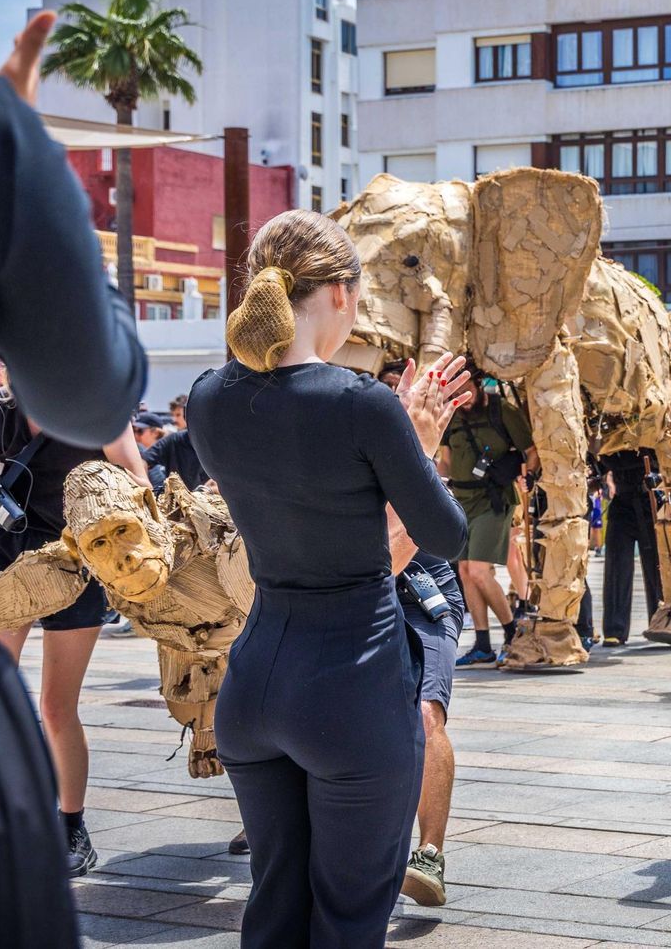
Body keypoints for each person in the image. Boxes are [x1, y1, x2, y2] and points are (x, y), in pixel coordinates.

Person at [188, 209, 469, 949]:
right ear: (342, 296)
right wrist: (418, 438)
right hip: (352, 684)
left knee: (274, 911)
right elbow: (447, 534)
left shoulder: (209, 397)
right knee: (347, 922)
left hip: (252, 687)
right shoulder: (365, 404)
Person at [0, 12, 148, 949]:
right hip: (20, 555)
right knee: (25, 699)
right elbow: (93, 392)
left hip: (67, 560)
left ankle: (72, 824)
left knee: (52, 702)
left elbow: (116, 445)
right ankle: (60, 831)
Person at [0, 389, 151, 877]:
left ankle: (70, 826)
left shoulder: (100, 412)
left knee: (58, 707)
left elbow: (138, 484)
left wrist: (112, 501)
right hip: (2, 558)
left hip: (77, 562)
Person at [442, 374, 531, 666]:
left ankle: (511, 632)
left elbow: (530, 453)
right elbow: (445, 461)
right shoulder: (451, 416)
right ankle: (482, 644)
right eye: (456, 390)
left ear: (477, 385)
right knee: (466, 572)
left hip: (494, 499)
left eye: (465, 389)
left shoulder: (501, 410)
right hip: (462, 501)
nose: (462, 396)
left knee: (480, 571)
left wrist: (526, 477)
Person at [396, 550, 464, 907]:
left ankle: (430, 855)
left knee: (425, 713)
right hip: (345, 593)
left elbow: (395, 543)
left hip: (417, 594)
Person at [600, 447, 663, 646]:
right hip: (622, 501)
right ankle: (614, 629)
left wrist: (659, 475)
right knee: (617, 566)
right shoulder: (611, 429)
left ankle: (660, 621)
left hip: (650, 500)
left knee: (657, 566)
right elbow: (599, 460)